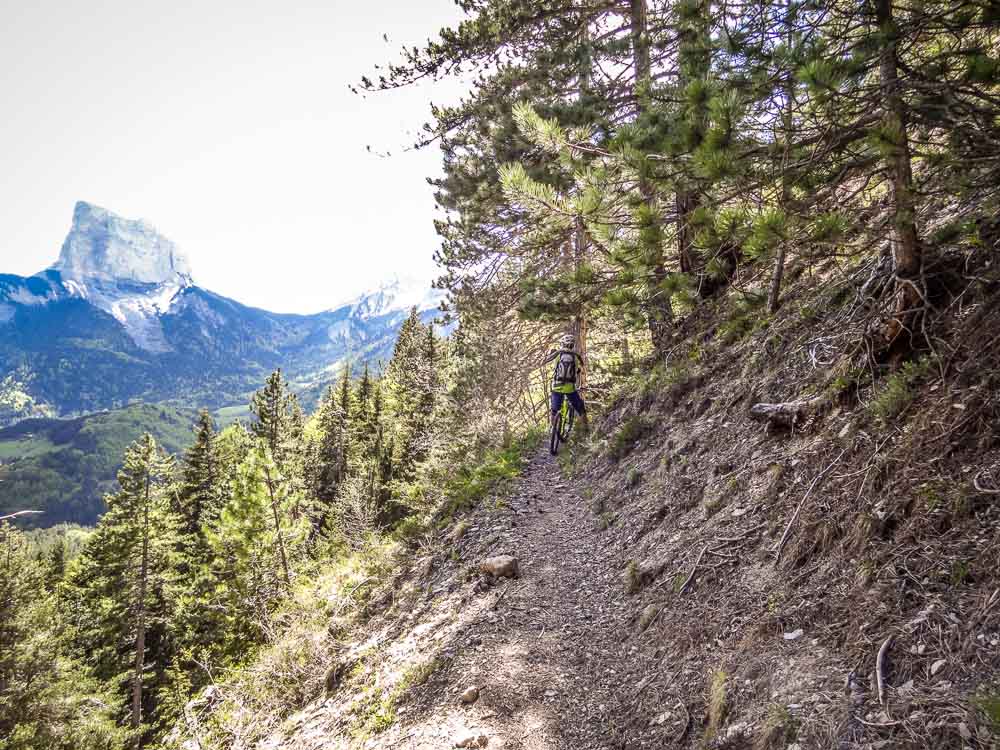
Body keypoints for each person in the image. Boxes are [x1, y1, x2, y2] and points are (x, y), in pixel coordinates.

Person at [543, 333, 588, 431]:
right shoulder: (576, 357)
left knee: (554, 410)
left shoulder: (558, 355)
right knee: (581, 408)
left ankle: (553, 429)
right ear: (573, 345)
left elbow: (546, 362)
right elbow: (579, 369)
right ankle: (586, 432)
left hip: (556, 387)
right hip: (570, 389)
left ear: (562, 344)